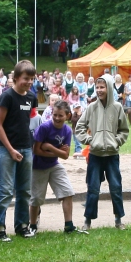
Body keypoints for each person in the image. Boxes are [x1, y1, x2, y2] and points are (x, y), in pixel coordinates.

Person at [75, 75, 129, 232]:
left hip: (112, 155)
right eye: (97, 87)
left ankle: (119, 220)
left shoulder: (117, 107)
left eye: (102, 87)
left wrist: (116, 141)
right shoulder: (92, 108)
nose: (99, 90)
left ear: (110, 88)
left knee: (116, 186)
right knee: (92, 188)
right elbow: (79, 127)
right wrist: (90, 140)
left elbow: (124, 130)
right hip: (95, 156)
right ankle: (87, 221)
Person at [0, 60, 37, 242]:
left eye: (32, 79)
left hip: (26, 148)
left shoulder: (31, 97)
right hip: (7, 149)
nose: (29, 82)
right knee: (6, 191)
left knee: (25, 190)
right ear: (16, 78)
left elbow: (27, 121)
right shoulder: (7, 97)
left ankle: (22, 226)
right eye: (26, 78)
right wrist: (10, 149)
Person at [30, 100, 79, 234]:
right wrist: (57, 151)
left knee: (67, 192)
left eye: (60, 115)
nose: (57, 118)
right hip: (38, 166)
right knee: (36, 199)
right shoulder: (44, 128)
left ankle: (69, 226)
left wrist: (49, 147)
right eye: (55, 115)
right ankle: (32, 226)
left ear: (67, 116)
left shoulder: (67, 131)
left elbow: (65, 155)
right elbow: (36, 150)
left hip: (54, 165)